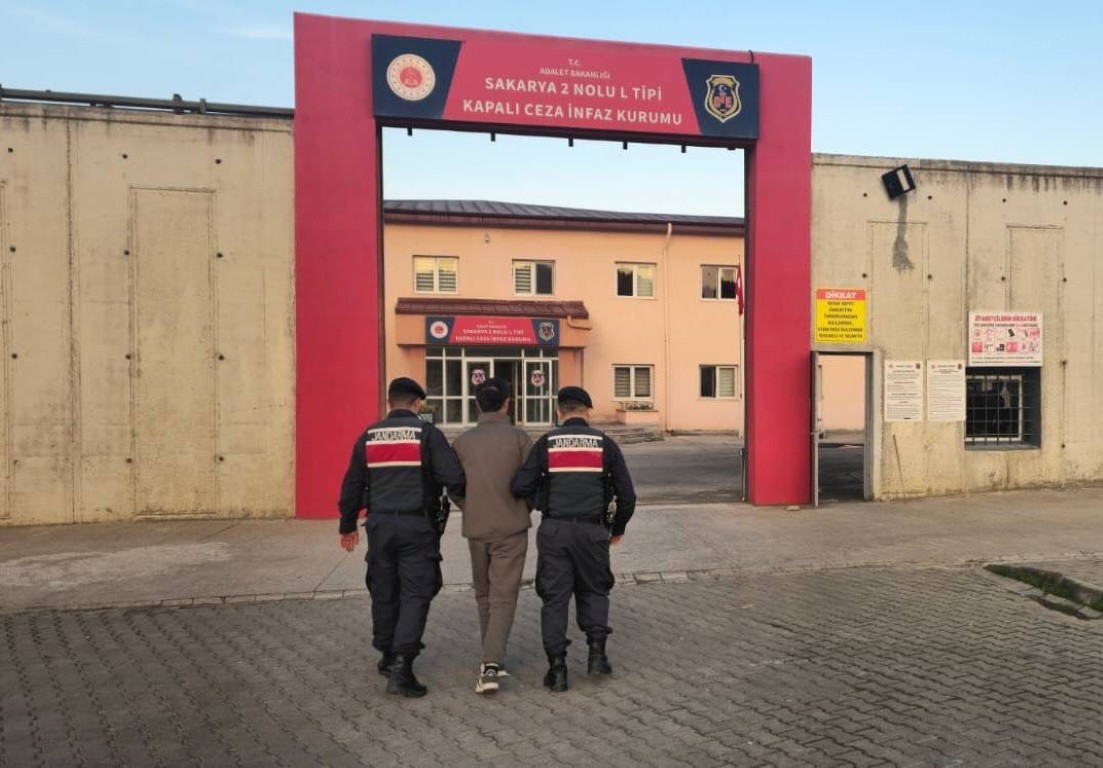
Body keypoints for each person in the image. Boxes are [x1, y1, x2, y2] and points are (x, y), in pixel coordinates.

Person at [337, 376, 465, 698]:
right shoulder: (427, 434)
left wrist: (347, 525)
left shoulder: (368, 436)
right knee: (416, 592)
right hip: (416, 526)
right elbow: (453, 477)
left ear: (389, 403)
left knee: (384, 589)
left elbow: (352, 484)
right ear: (417, 403)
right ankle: (401, 667)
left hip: (379, 526)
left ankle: (386, 653)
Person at [510, 385, 636, 693]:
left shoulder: (547, 443)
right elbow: (628, 496)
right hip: (593, 531)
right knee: (594, 590)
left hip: (555, 530)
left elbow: (520, 486)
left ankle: (557, 670)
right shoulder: (605, 444)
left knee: (555, 598)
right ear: (587, 411)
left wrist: (542, 495)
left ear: (559, 411)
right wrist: (617, 528)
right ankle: (597, 656)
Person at [451, 378, 534, 694]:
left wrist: (469, 506)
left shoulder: (462, 442)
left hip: (476, 528)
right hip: (511, 527)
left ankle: (491, 656)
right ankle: (490, 664)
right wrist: (521, 507)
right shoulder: (519, 438)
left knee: (484, 595)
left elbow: (453, 484)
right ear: (507, 403)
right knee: (503, 596)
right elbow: (533, 481)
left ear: (477, 404)